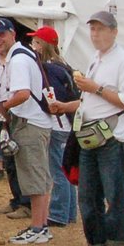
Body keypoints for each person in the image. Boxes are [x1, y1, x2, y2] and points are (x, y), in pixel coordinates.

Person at [63, 10, 124, 246]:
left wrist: (95, 88)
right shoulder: (96, 58)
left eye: (101, 29)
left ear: (114, 32)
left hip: (111, 137)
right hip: (90, 135)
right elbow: (89, 99)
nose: (95, 34)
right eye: (93, 29)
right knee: (88, 196)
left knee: (114, 196)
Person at [0, 18, 55, 244]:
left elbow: (23, 93)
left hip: (29, 123)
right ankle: (42, 226)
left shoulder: (18, 60)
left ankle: (37, 228)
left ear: (12, 34)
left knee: (34, 177)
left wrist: (0, 106)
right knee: (41, 176)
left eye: (1, 35)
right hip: (36, 122)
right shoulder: (22, 56)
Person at [29, 26, 79, 228]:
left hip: (58, 124)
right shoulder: (64, 66)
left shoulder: (48, 69)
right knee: (64, 169)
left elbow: (53, 99)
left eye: (35, 42)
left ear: (41, 45)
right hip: (68, 123)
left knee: (57, 171)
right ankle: (69, 212)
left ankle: (58, 213)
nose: (33, 46)